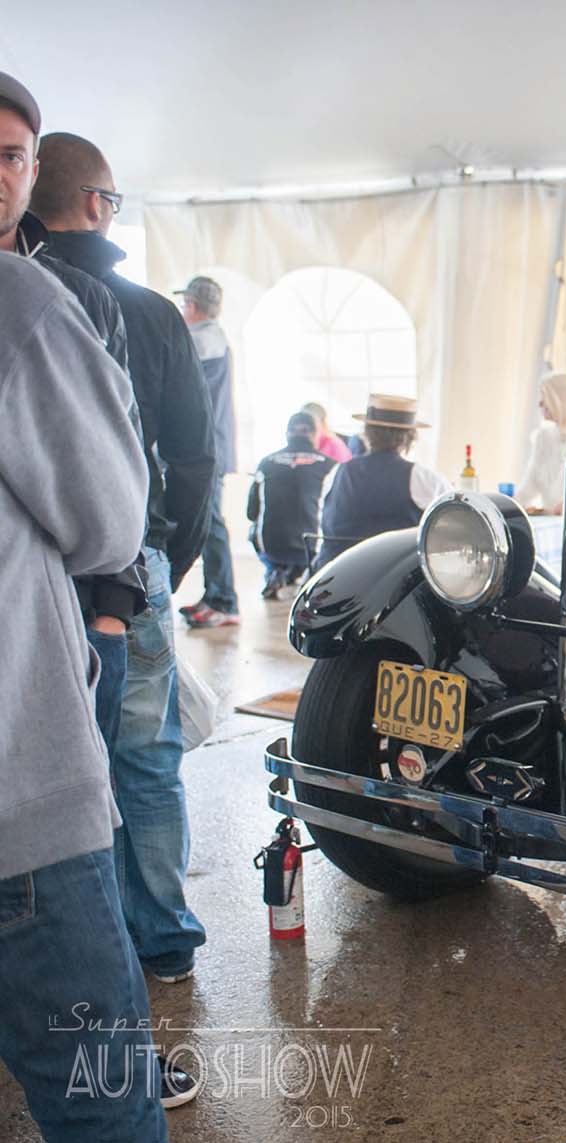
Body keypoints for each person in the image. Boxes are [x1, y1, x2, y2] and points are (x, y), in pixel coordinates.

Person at [30, 130, 214, 986]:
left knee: (56, 766)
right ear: (97, 204)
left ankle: (77, 947)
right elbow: (194, 455)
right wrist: (169, 560)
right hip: (131, 560)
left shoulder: (19, 289)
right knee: (145, 753)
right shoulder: (149, 311)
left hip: (35, 567)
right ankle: (163, 936)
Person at [0, 250, 170, 1140]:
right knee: (103, 1107)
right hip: (18, 800)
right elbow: (109, 520)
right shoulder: (19, 300)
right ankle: (170, 932)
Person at [0, 73, 148, 766]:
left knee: (112, 784)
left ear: (33, 173)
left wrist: (113, 608)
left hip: (74, 615)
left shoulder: (72, 297)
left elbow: (120, 474)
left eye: (11, 156)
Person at [317, 394, 449, 567]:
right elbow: (452, 521)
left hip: (335, 572)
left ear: (367, 433)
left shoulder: (338, 472)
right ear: (408, 437)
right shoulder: (424, 478)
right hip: (391, 576)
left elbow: (322, 520)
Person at [175, 275, 239, 628]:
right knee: (209, 521)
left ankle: (224, 601)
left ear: (192, 305)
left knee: (211, 522)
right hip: (213, 446)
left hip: (206, 449)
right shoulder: (214, 338)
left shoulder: (202, 341)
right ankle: (215, 595)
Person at [249, 412, 336, 598]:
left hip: (271, 547)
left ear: (287, 433)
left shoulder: (265, 463)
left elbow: (251, 512)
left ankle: (276, 570)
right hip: (311, 548)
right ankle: (305, 576)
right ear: (315, 434)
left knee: (255, 530)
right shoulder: (330, 466)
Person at [515, 370, 566, 516]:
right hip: (550, 522)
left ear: (561, 399)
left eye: (545, 396)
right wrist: (510, 506)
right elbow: (530, 485)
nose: (540, 403)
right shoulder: (543, 437)